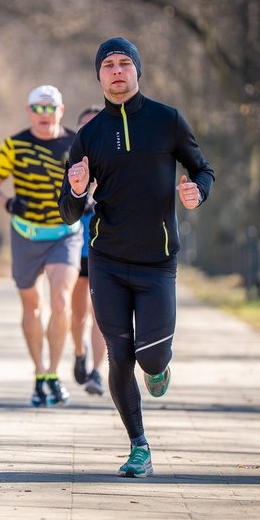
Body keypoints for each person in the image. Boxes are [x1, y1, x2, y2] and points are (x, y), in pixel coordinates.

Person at [59, 36, 214, 478]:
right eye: (107, 64)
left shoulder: (167, 120)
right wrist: (75, 188)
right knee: (119, 355)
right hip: (107, 261)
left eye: (124, 63)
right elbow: (67, 212)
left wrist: (196, 192)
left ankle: (159, 368)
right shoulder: (87, 136)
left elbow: (203, 168)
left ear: (137, 71)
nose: (117, 70)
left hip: (157, 262)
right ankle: (138, 445)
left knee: (150, 358)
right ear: (99, 75)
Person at [0, 85, 82, 408]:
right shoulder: (15, 145)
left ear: (61, 111)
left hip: (64, 232)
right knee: (31, 306)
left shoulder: (76, 144)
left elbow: (93, 181)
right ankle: (39, 373)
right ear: (29, 111)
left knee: (61, 300)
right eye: (37, 109)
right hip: (25, 234)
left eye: (50, 108)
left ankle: (54, 374)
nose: (44, 115)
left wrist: (85, 197)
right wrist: (10, 204)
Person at [69, 105, 107, 397]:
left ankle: (96, 371)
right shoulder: (70, 161)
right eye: (85, 127)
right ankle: (80, 352)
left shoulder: (114, 161)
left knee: (101, 313)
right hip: (72, 249)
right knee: (77, 312)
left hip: (102, 248)